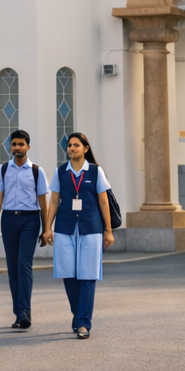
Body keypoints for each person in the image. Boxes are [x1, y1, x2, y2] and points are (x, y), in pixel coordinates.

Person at [43, 131, 113, 339]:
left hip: (91, 228)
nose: (72, 148)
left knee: (88, 274)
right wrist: (47, 228)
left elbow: (103, 202)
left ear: (85, 148)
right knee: (69, 274)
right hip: (65, 228)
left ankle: (83, 323)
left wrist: (108, 231)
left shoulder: (94, 172)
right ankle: (78, 315)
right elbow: (54, 201)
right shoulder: (60, 172)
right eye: (69, 145)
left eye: (76, 145)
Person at [0, 128, 49, 330]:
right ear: (11, 147)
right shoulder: (3, 169)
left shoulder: (36, 171)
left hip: (30, 221)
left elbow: (43, 201)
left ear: (28, 146)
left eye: (21, 144)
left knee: (24, 265)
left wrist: (46, 228)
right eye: (14, 144)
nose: (17, 147)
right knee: (13, 268)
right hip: (8, 220)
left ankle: (25, 312)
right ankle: (18, 314)